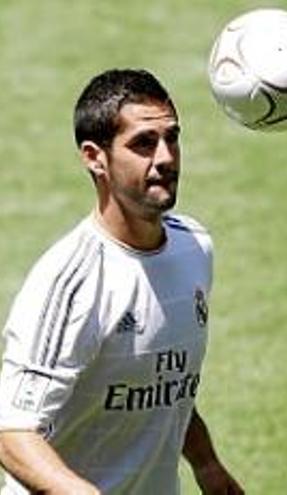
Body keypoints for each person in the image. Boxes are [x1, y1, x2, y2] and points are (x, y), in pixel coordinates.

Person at [0, 69, 243, 494]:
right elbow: (11, 431)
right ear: (95, 157)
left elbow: (163, 384)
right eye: (144, 144)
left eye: (172, 137)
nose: (166, 158)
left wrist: (206, 464)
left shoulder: (193, 246)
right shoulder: (73, 282)